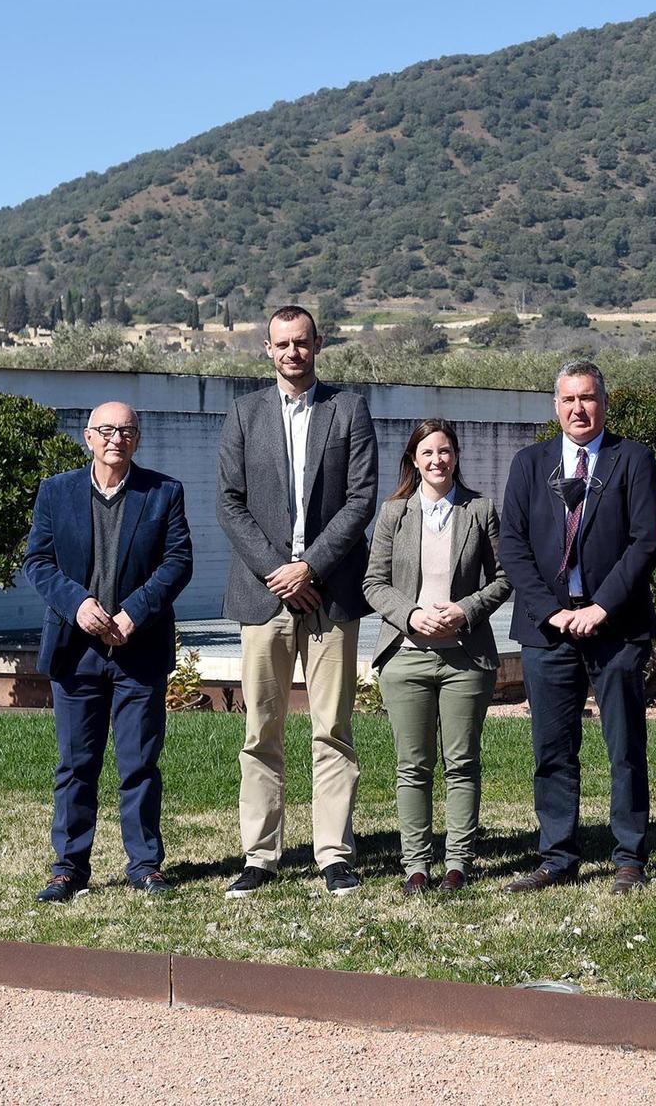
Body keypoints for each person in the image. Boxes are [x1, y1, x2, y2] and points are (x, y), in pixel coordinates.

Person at [216, 305, 378, 898]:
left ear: (318, 344)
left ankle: (334, 853)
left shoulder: (348, 410)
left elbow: (361, 500)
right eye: (282, 343)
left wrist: (309, 567)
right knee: (262, 729)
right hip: (264, 597)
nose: (292, 352)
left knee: (333, 728)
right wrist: (279, 572)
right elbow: (229, 504)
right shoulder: (242, 413)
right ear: (267, 348)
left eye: (302, 342)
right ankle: (259, 855)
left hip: (330, 593)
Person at [498, 360, 656, 896]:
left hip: (615, 627)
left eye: (588, 398)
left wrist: (602, 608)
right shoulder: (529, 464)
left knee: (625, 746)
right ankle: (557, 855)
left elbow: (645, 542)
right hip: (548, 630)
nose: (579, 408)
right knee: (552, 749)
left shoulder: (632, 460)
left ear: (604, 402)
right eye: (569, 399)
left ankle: (629, 856)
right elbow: (514, 547)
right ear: (556, 406)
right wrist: (554, 610)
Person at [22, 402, 193, 901]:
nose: (116, 438)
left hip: (138, 650)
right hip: (77, 651)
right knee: (76, 765)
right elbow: (38, 559)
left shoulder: (164, 492)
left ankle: (144, 865)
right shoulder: (56, 492)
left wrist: (134, 612)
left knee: (139, 764)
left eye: (126, 431)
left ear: (137, 440)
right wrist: (77, 605)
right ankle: (68, 868)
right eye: (106, 430)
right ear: (88, 437)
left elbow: (178, 562)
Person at [362, 419, 512, 896]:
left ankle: (458, 863)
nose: (437, 461)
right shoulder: (394, 514)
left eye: (444, 451)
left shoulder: (481, 509)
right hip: (405, 658)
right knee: (412, 765)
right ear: (413, 460)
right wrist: (410, 615)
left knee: (462, 762)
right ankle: (416, 865)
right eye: (427, 453)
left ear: (455, 456)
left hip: (465, 659)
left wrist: (464, 611)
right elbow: (373, 584)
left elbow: (505, 578)